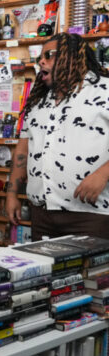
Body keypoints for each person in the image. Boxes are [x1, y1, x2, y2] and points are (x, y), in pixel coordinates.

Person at [6, 33, 109, 240]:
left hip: (92, 215)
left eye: (49, 55)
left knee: (92, 274)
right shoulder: (38, 102)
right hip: (43, 215)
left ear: (72, 57)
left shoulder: (105, 90)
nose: (42, 61)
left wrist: (103, 174)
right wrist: (11, 194)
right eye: (40, 58)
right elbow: (23, 150)